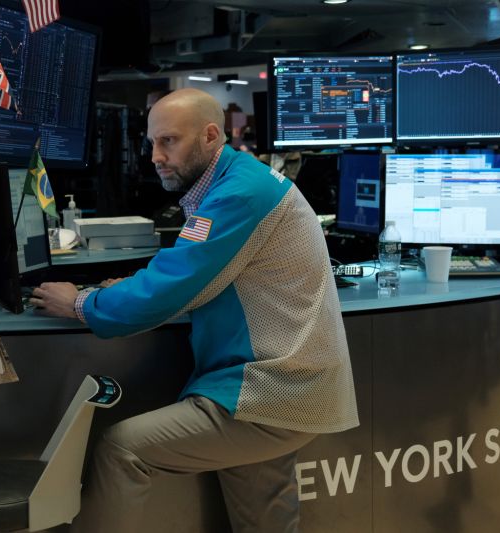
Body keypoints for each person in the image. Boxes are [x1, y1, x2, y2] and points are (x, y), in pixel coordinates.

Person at [30, 88, 358, 532]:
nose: (155, 157)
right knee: (266, 521)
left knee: (122, 448)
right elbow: (199, 272)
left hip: (269, 393)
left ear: (209, 135)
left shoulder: (239, 193)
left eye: (169, 142)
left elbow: (171, 288)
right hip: (289, 387)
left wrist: (81, 302)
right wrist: (133, 286)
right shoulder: (242, 180)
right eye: (152, 144)